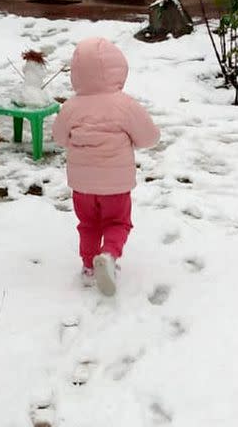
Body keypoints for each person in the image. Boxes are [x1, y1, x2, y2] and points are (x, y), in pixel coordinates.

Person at [52, 37, 160, 296]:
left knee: (88, 224)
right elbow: (149, 137)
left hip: (82, 186)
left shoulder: (71, 106)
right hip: (116, 186)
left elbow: (58, 137)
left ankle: (89, 266)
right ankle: (109, 255)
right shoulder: (124, 104)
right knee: (118, 222)